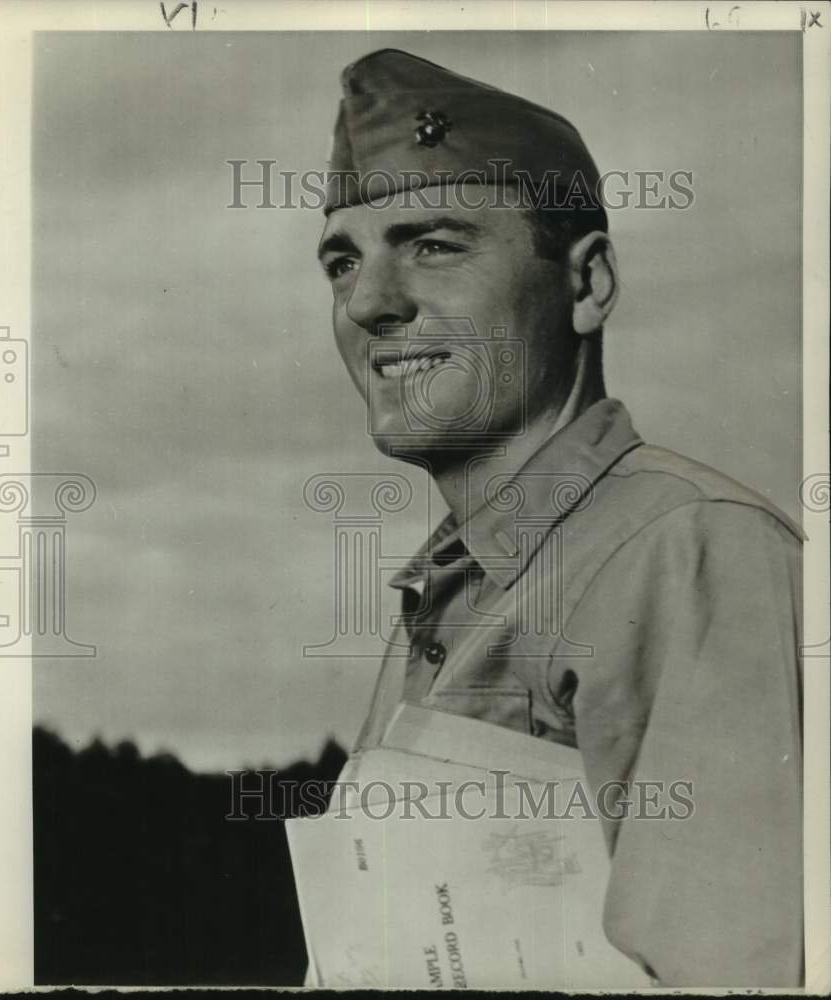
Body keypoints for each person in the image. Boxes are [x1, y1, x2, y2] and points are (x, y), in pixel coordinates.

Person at [314, 48, 802, 988]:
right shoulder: (457, 584)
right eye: (343, 261)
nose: (369, 301)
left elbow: (736, 973)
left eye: (435, 244)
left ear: (588, 286)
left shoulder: (684, 548)